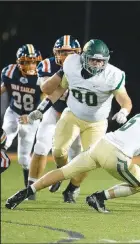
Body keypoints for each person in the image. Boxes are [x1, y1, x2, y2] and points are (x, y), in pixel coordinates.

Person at [5, 94, 140, 212]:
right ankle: (99, 197)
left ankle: (24, 193)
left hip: (101, 145)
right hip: (117, 156)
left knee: (65, 171)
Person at [19, 39, 133, 203]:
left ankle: (72, 187)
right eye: (93, 59)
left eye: (100, 61)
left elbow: (124, 99)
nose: (96, 64)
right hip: (72, 115)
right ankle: (60, 173)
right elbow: (59, 90)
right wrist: (41, 108)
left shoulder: (114, 75)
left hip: (97, 123)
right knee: (58, 151)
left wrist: (124, 110)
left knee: (90, 160)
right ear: (84, 57)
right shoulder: (72, 65)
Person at [27, 35, 83, 199]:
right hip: (53, 108)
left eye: (69, 52)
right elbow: (48, 91)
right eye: (61, 52)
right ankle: (31, 188)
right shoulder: (46, 65)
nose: (64, 56)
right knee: (41, 145)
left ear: (77, 53)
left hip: (76, 111)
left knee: (76, 151)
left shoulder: (85, 67)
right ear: (55, 52)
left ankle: (72, 188)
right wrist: (63, 72)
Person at [0, 44, 42, 192]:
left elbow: (46, 101)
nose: (30, 65)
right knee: (3, 140)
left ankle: (29, 190)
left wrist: (31, 116)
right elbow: (2, 88)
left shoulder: (41, 77)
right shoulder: (10, 72)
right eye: (26, 61)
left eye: (33, 61)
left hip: (32, 116)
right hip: (14, 111)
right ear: (19, 62)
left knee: (24, 158)